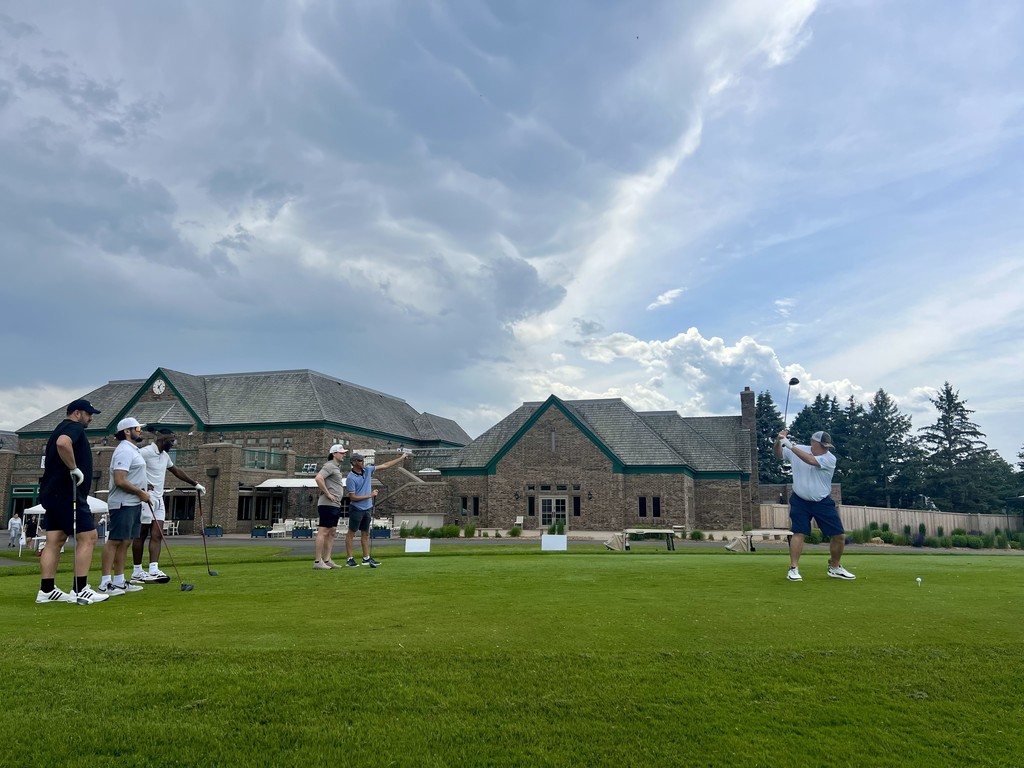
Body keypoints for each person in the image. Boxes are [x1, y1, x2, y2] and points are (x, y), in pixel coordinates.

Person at [34, 398, 109, 604]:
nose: (91, 418)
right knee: (89, 537)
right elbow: (63, 443)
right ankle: (80, 588)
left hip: (53, 493)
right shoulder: (73, 427)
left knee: (55, 540)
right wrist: (74, 468)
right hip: (69, 493)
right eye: (89, 414)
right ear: (77, 413)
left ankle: (47, 590)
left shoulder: (59, 427)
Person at [774, 430, 855, 582]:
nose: (826, 449)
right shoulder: (799, 449)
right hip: (800, 500)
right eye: (823, 446)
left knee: (839, 536)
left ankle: (835, 567)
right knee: (799, 532)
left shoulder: (830, 459)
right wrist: (779, 441)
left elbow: (810, 460)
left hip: (822, 501)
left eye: (827, 446)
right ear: (813, 442)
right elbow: (778, 455)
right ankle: (793, 569)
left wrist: (790, 446)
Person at [131, 429, 205, 584]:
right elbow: (130, 468)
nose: (173, 444)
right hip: (145, 498)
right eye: (171, 441)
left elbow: (176, 471)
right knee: (141, 534)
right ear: (162, 439)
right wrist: (142, 484)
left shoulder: (164, 456)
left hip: (159, 498)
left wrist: (195, 484)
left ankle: (153, 569)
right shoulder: (144, 452)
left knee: (158, 534)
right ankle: (137, 571)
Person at [98, 418, 150, 596]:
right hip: (123, 502)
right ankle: (105, 582)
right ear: (127, 431)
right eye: (137, 428)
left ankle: (119, 581)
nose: (140, 431)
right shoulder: (123, 451)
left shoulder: (132, 449)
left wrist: (143, 489)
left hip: (133, 502)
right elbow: (120, 480)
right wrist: (140, 493)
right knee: (115, 541)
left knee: (126, 541)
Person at [344, 452, 406, 567]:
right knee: (351, 533)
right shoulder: (350, 478)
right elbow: (352, 497)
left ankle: (366, 558)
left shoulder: (367, 470)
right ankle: (349, 559)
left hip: (367, 508)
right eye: (360, 460)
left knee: (365, 534)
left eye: (363, 460)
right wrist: (370, 495)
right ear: (354, 463)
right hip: (356, 508)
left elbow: (385, 465)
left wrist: (401, 458)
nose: (363, 462)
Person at [312, 444, 349, 570]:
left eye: (344, 452)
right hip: (327, 504)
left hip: (335, 504)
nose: (343, 454)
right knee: (324, 531)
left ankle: (327, 560)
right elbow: (318, 478)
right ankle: (318, 561)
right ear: (334, 454)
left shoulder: (336, 467)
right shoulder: (329, 465)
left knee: (332, 531)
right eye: (341, 452)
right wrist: (328, 493)